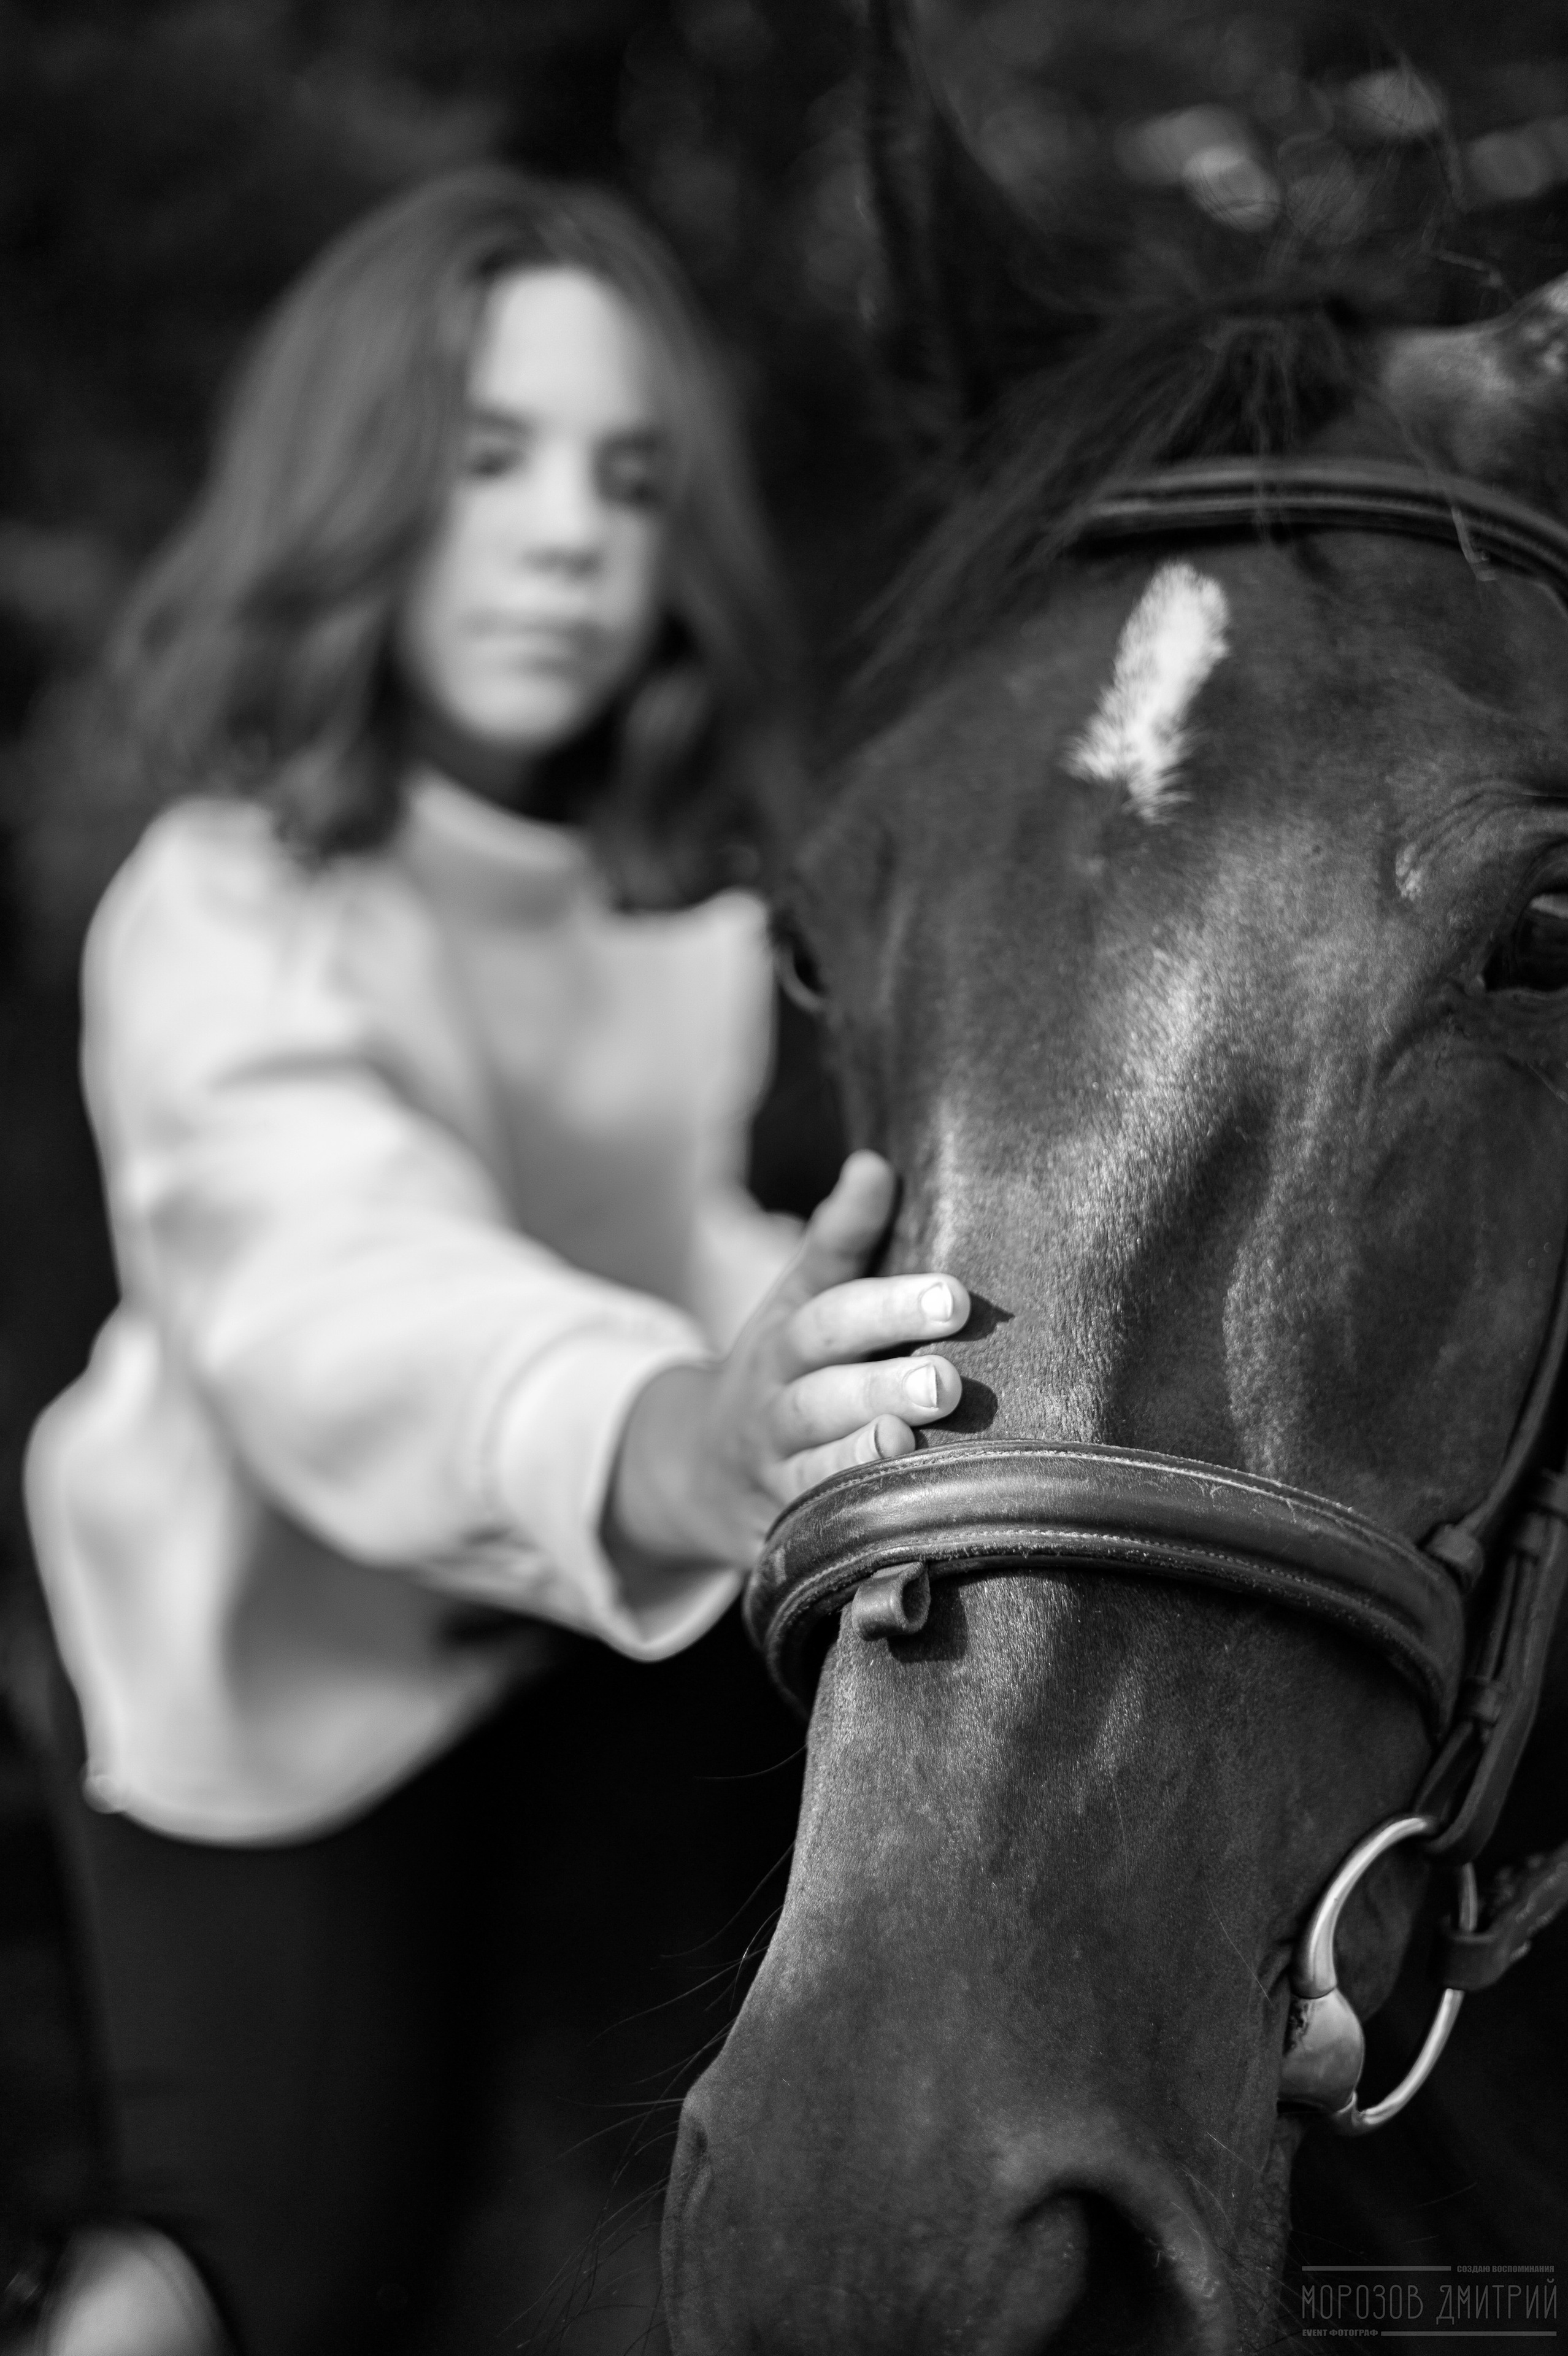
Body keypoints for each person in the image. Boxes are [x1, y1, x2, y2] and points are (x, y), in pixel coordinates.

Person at [21, 167, 969, 2356]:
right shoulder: (226, 904)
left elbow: (677, 1233)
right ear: (354, 491)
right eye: (490, 461)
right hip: (285, 1688)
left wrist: (800, 1341)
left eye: (632, 478)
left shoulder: (677, 907)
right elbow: (336, 1299)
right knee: (267, 2265)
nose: (571, 532)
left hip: (599, 1628)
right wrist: (669, 1427)